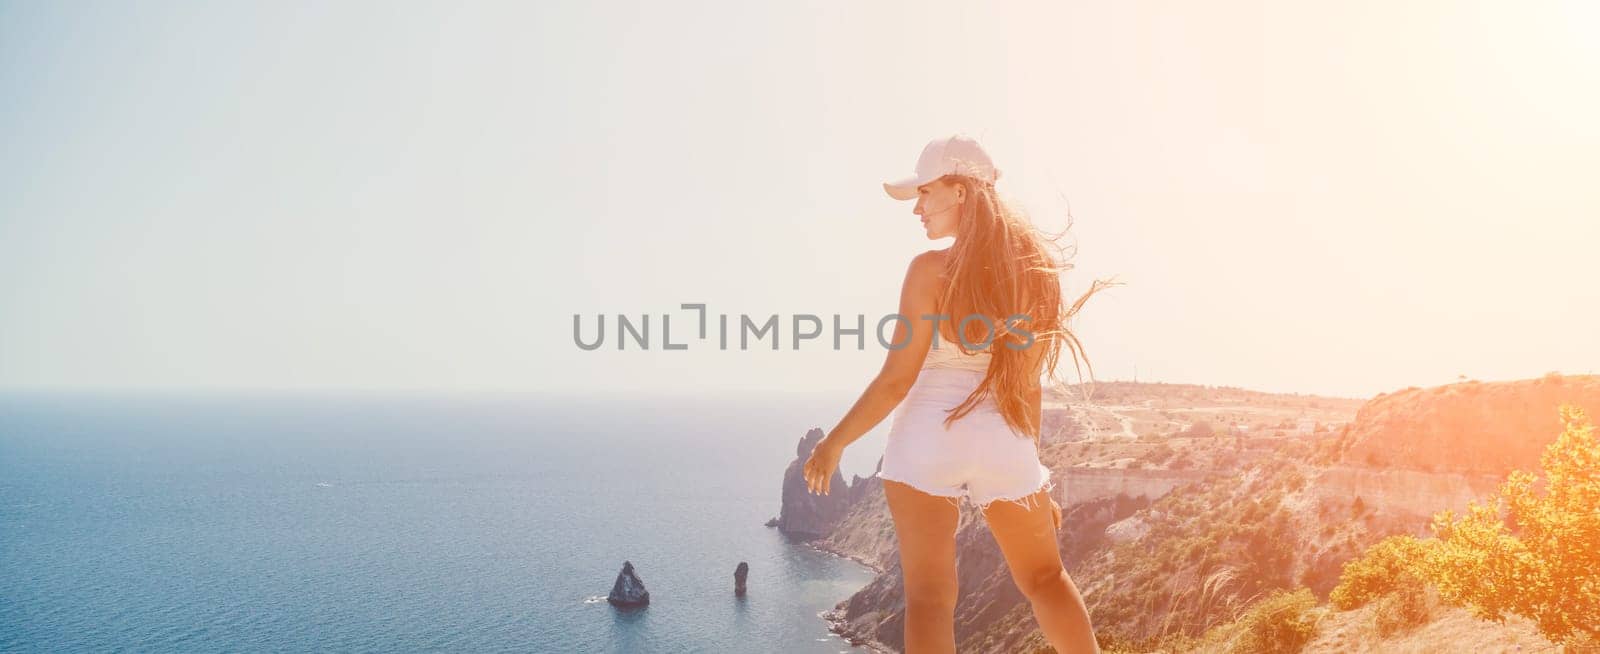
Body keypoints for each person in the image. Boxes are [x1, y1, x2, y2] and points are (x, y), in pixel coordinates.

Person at [802, 134, 1113, 653]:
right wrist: (1030, 472)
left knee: (928, 597)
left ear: (963, 191)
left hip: (925, 440)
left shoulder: (928, 271)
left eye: (926, 193)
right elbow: (1025, 384)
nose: (918, 209)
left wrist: (833, 444)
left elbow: (896, 380)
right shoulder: (1035, 276)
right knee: (1046, 580)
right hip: (1003, 439)